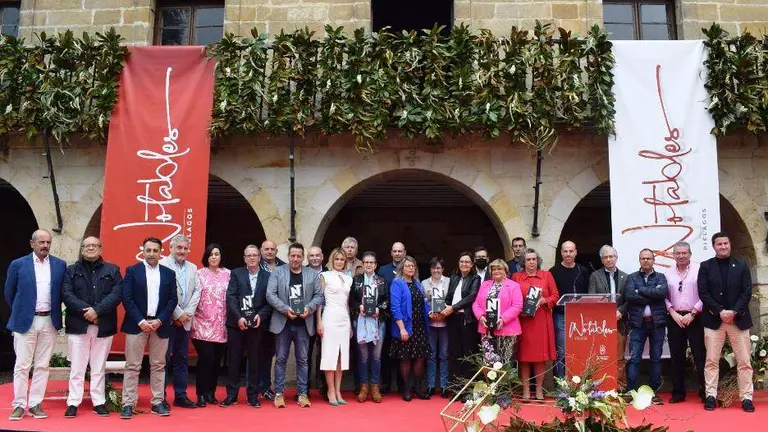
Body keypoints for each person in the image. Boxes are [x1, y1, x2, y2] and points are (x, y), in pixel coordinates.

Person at [5, 229, 66, 421]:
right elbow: (9, 293)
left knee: (42, 365)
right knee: (22, 365)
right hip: (25, 321)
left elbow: (62, 293)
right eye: (41, 242)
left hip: (49, 320)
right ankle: (19, 405)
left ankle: (35, 404)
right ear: (32, 244)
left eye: (48, 242)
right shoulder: (18, 264)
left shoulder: (60, 265)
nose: (45, 245)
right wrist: (22, 311)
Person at [61, 236, 122, 418]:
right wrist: (87, 312)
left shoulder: (113, 270)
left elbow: (117, 294)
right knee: (77, 368)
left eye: (94, 245)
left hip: (103, 326)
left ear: (100, 249)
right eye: (86, 246)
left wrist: (97, 311)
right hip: (78, 325)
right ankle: (73, 402)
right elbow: (67, 294)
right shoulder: (71, 271)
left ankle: (99, 402)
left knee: (98, 367)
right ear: (82, 249)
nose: (90, 248)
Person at [120, 237, 179, 419]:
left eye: (155, 250)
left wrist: (160, 320)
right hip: (136, 324)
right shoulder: (132, 271)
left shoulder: (169, 274)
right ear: (143, 251)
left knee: (159, 365)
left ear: (161, 253)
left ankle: (157, 402)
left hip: (160, 325)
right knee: (132, 365)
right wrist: (141, 321)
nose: (152, 253)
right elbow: (127, 298)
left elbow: (172, 300)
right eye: (148, 250)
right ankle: (128, 403)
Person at [698, 232, 755, 413]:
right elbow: (703, 292)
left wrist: (734, 311)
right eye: (719, 244)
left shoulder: (741, 265)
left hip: (738, 320)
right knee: (711, 361)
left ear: (730, 244)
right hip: (714, 320)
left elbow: (747, 291)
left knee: (744, 361)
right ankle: (711, 396)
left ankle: (746, 398)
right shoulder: (706, 266)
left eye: (726, 243)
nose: (723, 246)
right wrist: (720, 311)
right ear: (714, 246)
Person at [266, 242, 323, 408]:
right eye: (293, 256)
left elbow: (319, 295)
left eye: (298, 256)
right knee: (281, 359)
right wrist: (285, 309)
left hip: (303, 323)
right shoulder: (278, 272)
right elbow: (270, 294)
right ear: (288, 256)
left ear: (303, 257)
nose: (295, 259)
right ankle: (279, 393)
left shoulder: (311, 274)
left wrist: (309, 308)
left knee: (303, 360)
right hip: (283, 322)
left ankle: (303, 394)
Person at [221, 244, 271, 408]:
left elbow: (269, 301)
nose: (252, 258)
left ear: (259, 257)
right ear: (244, 258)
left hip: (256, 324)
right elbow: (231, 297)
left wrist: (260, 316)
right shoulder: (236, 273)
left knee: (255, 361)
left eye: (255, 255)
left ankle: (253, 396)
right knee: (234, 360)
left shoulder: (268, 276)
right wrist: (239, 317)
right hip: (237, 324)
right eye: (249, 255)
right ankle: (231, 395)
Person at [159, 235, 202, 409]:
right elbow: (163, 292)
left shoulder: (193, 267)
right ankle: (160, 397)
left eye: (185, 248)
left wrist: (187, 314)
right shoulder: (162, 264)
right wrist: (177, 314)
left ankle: (181, 395)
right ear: (171, 248)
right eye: (179, 248)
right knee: (162, 360)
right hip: (167, 320)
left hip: (185, 321)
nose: (182, 251)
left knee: (181, 358)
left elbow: (197, 291)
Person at [512, 248, 558, 401]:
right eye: (528, 260)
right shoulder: (516, 277)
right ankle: (526, 390)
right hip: (524, 320)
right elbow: (511, 296)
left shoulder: (547, 275)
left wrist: (545, 300)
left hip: (541, 320)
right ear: (523, 262)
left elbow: (555, 295)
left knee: (540, 357)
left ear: (538, 261)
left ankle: (539, 390)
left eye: (534, 259)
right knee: (524, 357)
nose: (531, 262)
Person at [664, 241, 706, 404]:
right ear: (673, 255)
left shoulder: (699, 270)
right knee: (676, 357)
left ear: (690, 254)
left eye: (684, 253)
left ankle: (705, 391)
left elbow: (705, 293)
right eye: (678, 253)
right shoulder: (667, 273)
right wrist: (672, 312)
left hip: (695, 317)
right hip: (675, 318)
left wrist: (693, 312)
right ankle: (678, 393)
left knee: (700, 356)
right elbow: (664, 297)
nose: (681, 256)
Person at [625, 249, 667, 405]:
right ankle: (630, 391)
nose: (646, 261)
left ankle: (653, 393)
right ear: (639, 260)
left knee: (655, 359)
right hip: (638, 324)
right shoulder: (632, 277)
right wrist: (652, 295)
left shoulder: (661, 277)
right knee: (635, 358)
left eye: (648, 258)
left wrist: (641, 291)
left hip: (657, 324)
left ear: (653, 260)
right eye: (643, 258)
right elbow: (630, 296)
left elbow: (662, 294)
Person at [191, 244, 230, 407]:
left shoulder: (228, 274)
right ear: (206, 257)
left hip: (221, 325)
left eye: (217, 254)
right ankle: (201, 393)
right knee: (206, 359)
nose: (214, 257)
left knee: (216, 361)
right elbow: (193, 296)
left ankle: (210, 393)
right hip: (202, 324)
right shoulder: (199, 274)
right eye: (211, 254)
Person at [389, 256, 430, 401]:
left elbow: (423, 304)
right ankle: (406, 389)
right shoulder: (397, 283)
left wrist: (431, 312)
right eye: (407, 266)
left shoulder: (417, 283)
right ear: (402, 268)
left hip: (420, 326)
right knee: (405, 358)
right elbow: (395, 308)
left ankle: (417, 388)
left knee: (420, 357)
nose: (411, 268)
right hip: (405, 326)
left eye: (413, 266)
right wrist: (402, 329)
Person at [588, 245, 628, 388]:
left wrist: (621, 311)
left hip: (619, 321)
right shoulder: (595, 276)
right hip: (600, 323)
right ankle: (601, 386)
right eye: (605, 257)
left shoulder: (625, 277)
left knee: (619, 356)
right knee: (601, 355)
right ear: (602, 260)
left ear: (616, 258)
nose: (609, 259)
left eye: (611, 256)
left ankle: (620, 387)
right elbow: (592, 298)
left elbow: (629, 299)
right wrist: (604, 313)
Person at [350, 251, 389, 403]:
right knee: (363, 356)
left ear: (375, 265)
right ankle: (364, 386)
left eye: (371, 262)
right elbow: (351, 299)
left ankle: (375, 386)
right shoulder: (356, 280)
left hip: (378, 321)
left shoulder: (382, 281)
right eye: (366, 262)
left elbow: (387, 300)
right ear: (363, 264)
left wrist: (380, 308)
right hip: (360, 320)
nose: (369, 265)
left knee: (376, 356)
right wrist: (358, 306)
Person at [549, 240, 590, 380]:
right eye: (565, 251)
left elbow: (587, 294)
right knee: (561, 350)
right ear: (561, 253)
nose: (568, 254)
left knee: (579, 348)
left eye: (571, 251)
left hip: (580, 316)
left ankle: (578, 381)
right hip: (560, 315)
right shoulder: (553, 271)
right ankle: (561, 382)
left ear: (576, 252)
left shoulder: (583, 271)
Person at [317, 248, 353, 406]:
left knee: (341, 356)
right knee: (330, 355)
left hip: (344, 319)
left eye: (342, 259)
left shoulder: (349, 278)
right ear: (332, 260)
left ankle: (338, 391)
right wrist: (319, 321)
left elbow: (347, 303)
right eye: (337, 259)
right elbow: (319, 300)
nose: (339, 262)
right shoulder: (324, 276)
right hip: (329, 318)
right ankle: (330, 391)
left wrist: (350, 324)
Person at [472, 259, 523, 364]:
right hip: (487, 330)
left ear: (505, 270)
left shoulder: (514, 286)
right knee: (489, 363)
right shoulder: (485, 284)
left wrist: (503, 319)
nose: (496, 271)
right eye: (493, 269)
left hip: (506, 330)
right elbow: (476, 304)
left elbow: (517, 306)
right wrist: (480, 316)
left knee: (505, 364)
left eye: (499, 268)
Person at [443, 252, 481, 386]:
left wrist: (452, 308)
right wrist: (441, 308)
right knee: (454, 352)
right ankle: (456, 386)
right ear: (458, 264)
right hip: (453, 319)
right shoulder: (454, 277)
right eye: (462, 261)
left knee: (467, 353)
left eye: (467, 262)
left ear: (471, 264)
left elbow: (471, 297)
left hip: (467, 319)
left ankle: (467, 387)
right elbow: (449, 297)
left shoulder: (475, 278)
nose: (464, 264)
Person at [377, 241, 407, 394]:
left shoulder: (409, 269)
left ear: (404, 252)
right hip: (387, 317)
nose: (397, 254)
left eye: (400, 251)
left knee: (403, 351)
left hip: (404, 318)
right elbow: (379, 291)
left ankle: (403, 384)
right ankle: (386, 384)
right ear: (391, 253)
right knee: (386, 351)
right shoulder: (383, 270)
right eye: (395, 251)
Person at [257, 239, 283, 401]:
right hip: (259, 316)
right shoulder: (254, 265)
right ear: (261, 251)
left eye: (272, 249)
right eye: (266, 249)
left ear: (276, 251)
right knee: (255, 353)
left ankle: (265, 387)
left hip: (278, 316)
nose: (269, 252)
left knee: (269, 353)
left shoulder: (284, 267)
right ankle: (254, 387)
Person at [422, 257, 450, 398]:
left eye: (439, 268)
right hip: (431, 323)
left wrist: (445, 311)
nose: (436, 270)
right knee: (431, 355)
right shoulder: (424, 283)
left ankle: (444, 386)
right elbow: (423, 302)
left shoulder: (449, 281)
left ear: (443, 269)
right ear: (430, 269)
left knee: (444, 355)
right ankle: (431, 385)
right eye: (434, 268)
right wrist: (429, 313)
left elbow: (451, 300)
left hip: (445, 323)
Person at [305, 245, 327, 398]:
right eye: (311, 256)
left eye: (317, 255)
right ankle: (304, 388)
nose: (314, 258)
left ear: (322, 257)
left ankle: (324, 387)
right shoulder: (301, 272)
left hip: (326, 315)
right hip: (306, 316)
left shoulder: (329, 273)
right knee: (305, 353)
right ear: (307, 258)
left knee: (325, 352)